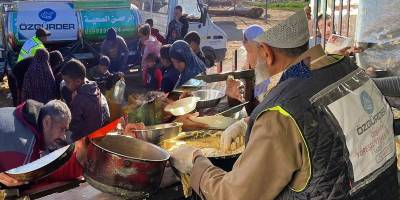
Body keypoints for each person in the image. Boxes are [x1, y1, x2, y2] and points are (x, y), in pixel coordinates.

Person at [169, 11, 399, 200]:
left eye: (250, 53)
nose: (249, 62)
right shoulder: (348, 69)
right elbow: (317, 106)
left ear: (267, 53)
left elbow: (234, 195)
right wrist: (249, 122)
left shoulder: (280, 114)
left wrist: (196, 162)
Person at [0, 100, 83, 186]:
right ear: (47, 122)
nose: (63, 137)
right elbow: (21, 189)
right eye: (62, 129)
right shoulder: (26, 149)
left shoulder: (24, 114)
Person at [61, 59, 103, 142]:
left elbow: (72, 124)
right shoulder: (94, 88)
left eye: (67, 82)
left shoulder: (79, 99)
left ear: (78, 81)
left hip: (84, 136)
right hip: (97, 130)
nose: (65, 84)